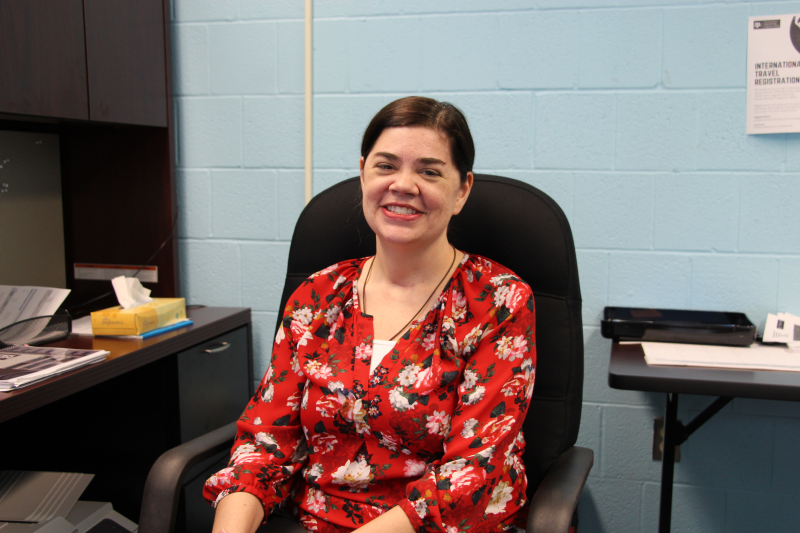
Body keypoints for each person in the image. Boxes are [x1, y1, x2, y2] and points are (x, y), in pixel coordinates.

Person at [204, 96, 537, 533]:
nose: (403, 184)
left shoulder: (497, 301)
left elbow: (474, 470)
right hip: (315, 521)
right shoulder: (319, 294)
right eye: (386, 166)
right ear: (363, 173)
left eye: (429, 171)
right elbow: (266, 444)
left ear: (462, 190)